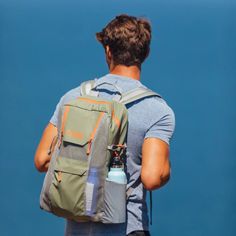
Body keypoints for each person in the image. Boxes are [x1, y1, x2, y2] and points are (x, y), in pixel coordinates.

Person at [34, 14, 175, 236]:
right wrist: (166, 170)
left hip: (77, 229)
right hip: (127, 228)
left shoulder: (73, 98)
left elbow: (42, 160)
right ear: (145, 53)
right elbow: (152, 177)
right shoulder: (156, 109)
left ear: (108, 51)